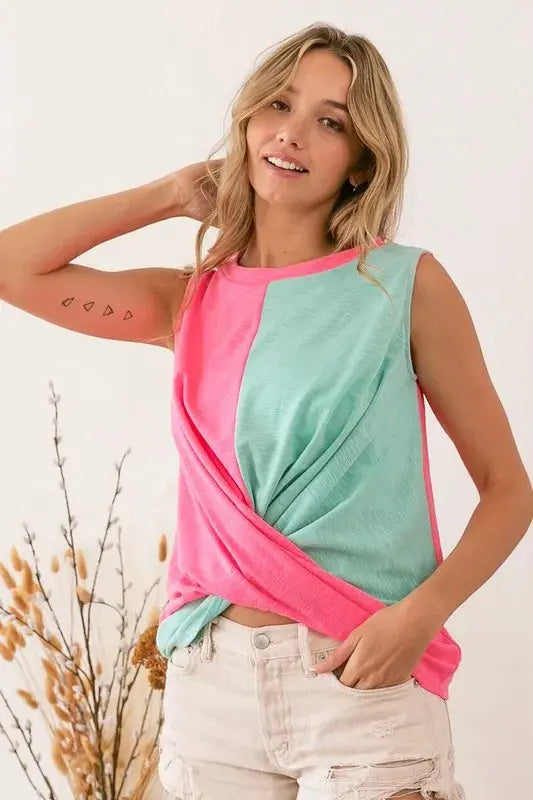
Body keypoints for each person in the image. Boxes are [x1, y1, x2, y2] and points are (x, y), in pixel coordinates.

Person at [1, 20, 531, 800]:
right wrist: (170, 194)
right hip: (210, 690)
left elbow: (508, 490)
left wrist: (419, 617)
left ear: (361, 159)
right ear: (247, 120)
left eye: (330, 121)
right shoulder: (189, 302)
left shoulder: (403, 285)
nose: (291, 133)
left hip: (358, 680)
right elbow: (12, 267)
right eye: (277, 104)